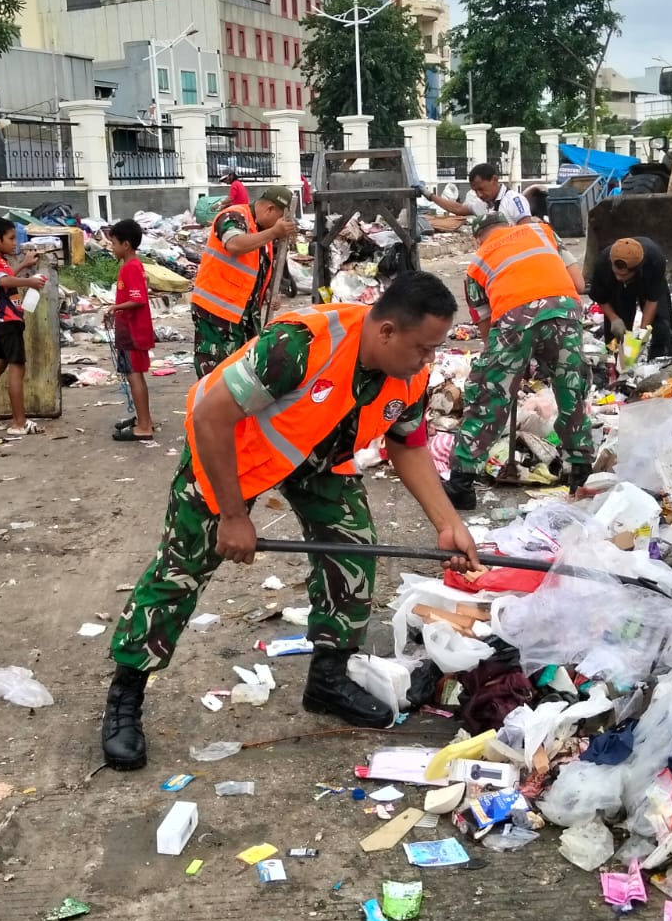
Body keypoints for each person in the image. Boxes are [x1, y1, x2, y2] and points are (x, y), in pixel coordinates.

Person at [100, 272, 481, 770]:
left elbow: (407, 445)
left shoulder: (408, 375)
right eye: (423, 348)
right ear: (387, 331)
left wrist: (447, 523)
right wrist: (233, 516)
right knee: (182, 568)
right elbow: (211, 417)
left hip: (319, 458)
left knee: (352, 550)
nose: (429, 360)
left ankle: (328, 678)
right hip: (231, 454)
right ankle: (126, 692)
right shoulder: (298, 346)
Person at [442, 216, 592, 509]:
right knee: (571, 392)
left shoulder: (476, 265)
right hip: (565, 312)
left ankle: (461, 485)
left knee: (489, 397)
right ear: (508, 227)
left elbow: (487, 330)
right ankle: (581, 476)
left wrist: (508, 369)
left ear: (478, 239)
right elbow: (578, 283)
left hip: (514, 320)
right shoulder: (542, 232)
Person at [190, 185, 296, 376]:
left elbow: (251, 269)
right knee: (215, 374)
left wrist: (266, 292)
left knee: (239, 373)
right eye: (281, 218)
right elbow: (234, 244)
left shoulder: (261, 230)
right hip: (217, 312)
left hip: (242, 316)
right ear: (270, 209)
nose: (280, 224)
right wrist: (274, 232)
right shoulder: (234, 216)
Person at [0, 217, 47, 433]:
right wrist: (30, 281)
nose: (15, 243)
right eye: (11, 238)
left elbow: (4, 278)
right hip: (9, 320)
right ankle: (19, 423)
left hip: (0, 320)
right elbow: (4, 281)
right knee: (17, 368)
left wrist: (24, 264)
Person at [105, 219, 156, 442]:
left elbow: (139, 299)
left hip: (133, 332)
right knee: (134, 376)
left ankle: (144, 427)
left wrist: (114, 308)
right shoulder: (132, 266)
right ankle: (144, 420)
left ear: (126, 245)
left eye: (114, 243)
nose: (112, 247)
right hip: (129, 330)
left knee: (134, 376)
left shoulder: (131, 268)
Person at [587, 236, 672, 358]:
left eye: (623, 275)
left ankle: (659, 359)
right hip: (617, 288)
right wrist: (614, 318)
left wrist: (642, 334)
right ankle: (617, 361)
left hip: (646, 280)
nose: (618, 277)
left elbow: (652, 300)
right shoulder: (603, 264)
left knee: (661, 325)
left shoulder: (655, 261)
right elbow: (600, 297)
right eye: (616, 273)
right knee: (618, 332)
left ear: (637, 269)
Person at [422, 162, 533, 225]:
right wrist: (430, 195)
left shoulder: (514, 200)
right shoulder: (482, 204)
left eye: (481, 189)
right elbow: (458, 209)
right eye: (475, 191)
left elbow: (527, 231)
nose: (479, 195)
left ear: (494, 180)